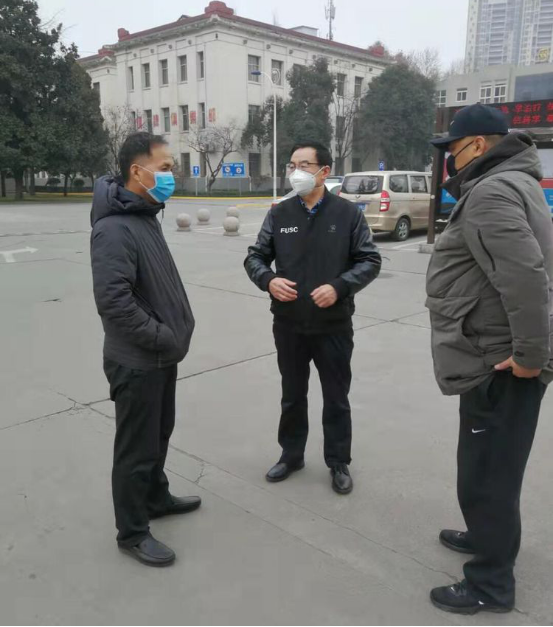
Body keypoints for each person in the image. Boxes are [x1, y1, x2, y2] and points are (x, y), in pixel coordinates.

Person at [426, 103, 553, 614]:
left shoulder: (491, 192)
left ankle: (490, 584)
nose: (449, 161)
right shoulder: (516, 181)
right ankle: (485, 537)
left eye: (452, 150)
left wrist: (530, 357)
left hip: (498, 361)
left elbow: (525, 278)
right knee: (487, 466)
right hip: (494, 351)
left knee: (488, 476)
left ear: (477, 145)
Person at [244, 141, 381, 494]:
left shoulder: (347, 214)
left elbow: (369, 260)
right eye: (292, 165)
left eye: (304, 165)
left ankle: (338, 461)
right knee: (292, 394)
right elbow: (255, 256)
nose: (296, 172)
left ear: (324, 171)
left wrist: (339, 286)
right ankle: (291, 455)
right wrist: (268, 280)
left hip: (333, 325)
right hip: (289, 324)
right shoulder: (280, 213)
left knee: (336, 396)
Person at [91, 132, 199, 567]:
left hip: (160, 356)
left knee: (158, 435)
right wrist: (161, 336)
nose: (172, 174)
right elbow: (114, 302)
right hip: (138, 361)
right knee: (135, 450)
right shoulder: (113, 229)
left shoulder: (143, 215)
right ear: (138, 171)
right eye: (166, 167)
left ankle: (156, 497)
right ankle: (133, 531)